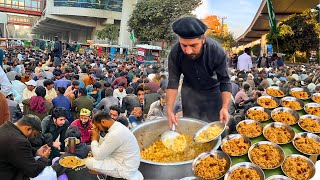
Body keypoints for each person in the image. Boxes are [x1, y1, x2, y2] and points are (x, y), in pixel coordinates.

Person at [167, 17, 231, 127]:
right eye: (184, 45)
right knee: (191, 127)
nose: (188, 51)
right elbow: (173, 82)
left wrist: (225, 107)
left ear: (203, 39)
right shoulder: (175, 53)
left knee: (214, 127)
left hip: (212, 92)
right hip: (189, 94)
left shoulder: (216, 51)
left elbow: (225, 81)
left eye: (193, 45)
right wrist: (169, 109)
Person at [85, 111, 143, 180]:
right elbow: (107, 144)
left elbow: (98, 156)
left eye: (98, 127)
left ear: (103, 122)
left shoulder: (115, 133)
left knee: (89, 162)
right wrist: (98, 136)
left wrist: (94, 139)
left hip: (125, 169)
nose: (99, 130)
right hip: (125, 162)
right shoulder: (117, 126)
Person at [0, 115, 51, 179]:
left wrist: (36, 152)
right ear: (28, 129)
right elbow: (33, 171)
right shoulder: (19, 141)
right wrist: (44, 158)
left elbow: (16, 151)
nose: (34, 138)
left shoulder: (6, 126)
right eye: (35, 135)